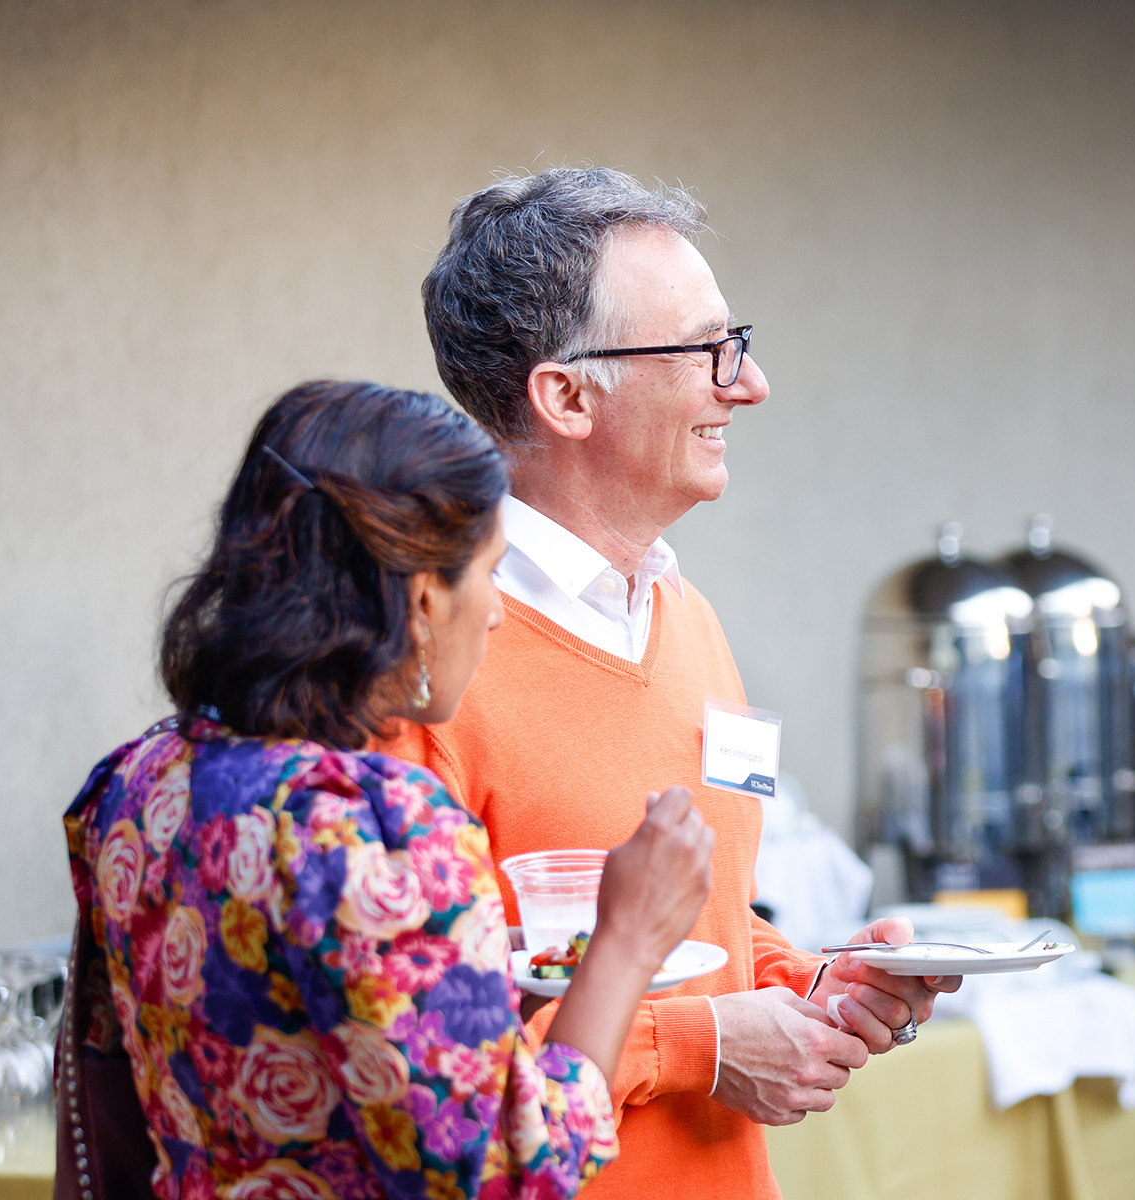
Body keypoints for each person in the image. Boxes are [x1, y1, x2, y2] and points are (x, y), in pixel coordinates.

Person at [386, 168, 957, 1200]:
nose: (750, 384)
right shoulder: (422, 672)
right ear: (564, 395)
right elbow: (418, 1072)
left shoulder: (685, 615)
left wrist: (810, 984)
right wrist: (701, 1044)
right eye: (707, 351)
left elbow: (705, 926)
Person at [62, 380, 715, 1195]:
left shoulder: (139, 785)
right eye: (489, 574)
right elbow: (509, 1174)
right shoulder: (380, 827)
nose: (499, 614)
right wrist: (626, 940)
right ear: (419, 601)